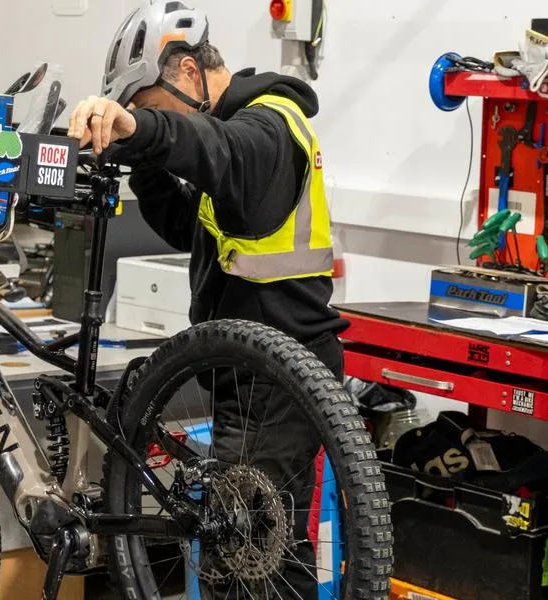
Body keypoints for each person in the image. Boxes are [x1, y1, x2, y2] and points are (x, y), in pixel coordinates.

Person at [67, 1, 348, 597]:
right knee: (265, 556)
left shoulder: (268, 128)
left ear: (189, 72)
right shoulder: (237, 129)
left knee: (240, 564)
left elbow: (214, 147)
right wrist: (141, 159)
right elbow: (191, 228)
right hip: (252, 372)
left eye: (148, 103)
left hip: (277, 380)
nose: (145, 117)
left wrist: (142, 130)